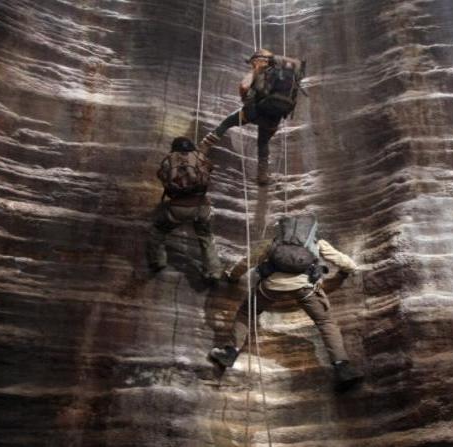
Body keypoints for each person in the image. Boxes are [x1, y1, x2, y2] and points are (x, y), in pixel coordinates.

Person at [208, 213, 364, 392]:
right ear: (311, 230)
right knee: (325, 322)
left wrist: (233, 276)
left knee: (246, 312)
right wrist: (350, 269)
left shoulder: (274, 243)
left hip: (270, 287)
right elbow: (341, 260)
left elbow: (247, 262)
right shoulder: (316, 243)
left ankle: (230, 352)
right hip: (305, 289)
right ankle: (342, 366)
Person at [198, 48, 305, 185]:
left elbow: (244, 87)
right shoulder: (285, 76)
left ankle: (203, 148)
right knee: (263, 142)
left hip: (254, 112)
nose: (251, 64)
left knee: (227, 123)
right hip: (274, 117)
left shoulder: (260, 71)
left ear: (258, 60)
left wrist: (251, 80)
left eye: (252, 62)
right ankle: (262, 176)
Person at [146, 136, 222, 282]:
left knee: (159, 230)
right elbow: (210, 169)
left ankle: (157, 261)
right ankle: (213, 271)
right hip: (202, 206)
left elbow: (162, 177)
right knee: (206, 237)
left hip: (178, 208)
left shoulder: (169, 159)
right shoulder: (199, 157)